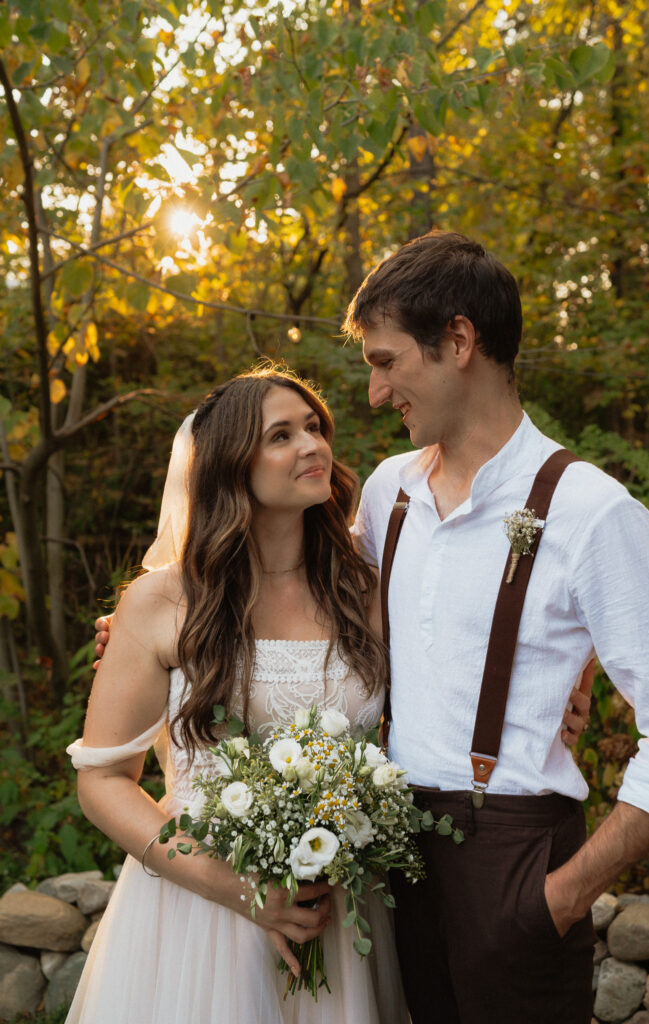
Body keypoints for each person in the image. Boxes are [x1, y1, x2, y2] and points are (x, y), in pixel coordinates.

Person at [341, 229, 649, 1024]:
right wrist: (162, 613)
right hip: (396, 856)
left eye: (386, 362)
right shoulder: (388, 491)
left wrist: (559, 898)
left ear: (458, 339)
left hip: (519, 861)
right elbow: (307, 604)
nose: (374, 394)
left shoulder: (593, 513)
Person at [66, 367, 409, 1024]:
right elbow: (103, 782)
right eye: (281, 435)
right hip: (201, 913)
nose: (312, 446)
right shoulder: (163, 602)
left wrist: (571, 680)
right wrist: (246, 892)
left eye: (314, 428)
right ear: (229, 467)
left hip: (338, 916)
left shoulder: (366, 589)